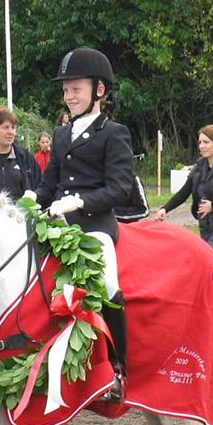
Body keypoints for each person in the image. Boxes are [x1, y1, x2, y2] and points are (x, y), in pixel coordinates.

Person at [33, 47, 136, 400]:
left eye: (76, 89)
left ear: (99, 91)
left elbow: (121, 187)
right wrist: (33, 199)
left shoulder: (115, 133)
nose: (68, 96)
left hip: (95, 226)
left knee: (107, 285)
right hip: (58, 226)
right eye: (65, 90)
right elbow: (50, 183)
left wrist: (82, 201)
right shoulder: (61, 135)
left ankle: (120, 368)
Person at [152, 124, 213, 268]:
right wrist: (164, 209)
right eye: (200, 142)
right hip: (205, 229)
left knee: (204, 262)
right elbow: (184, 193)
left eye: (206, 142)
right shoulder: (198, 168)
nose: (201, 146)